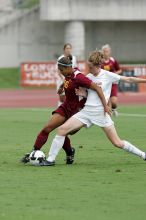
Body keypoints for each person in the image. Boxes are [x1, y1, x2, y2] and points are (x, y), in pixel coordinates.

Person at [40, 50, 146, 166]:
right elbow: (84, 90)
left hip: (101, 113)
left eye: (90, 67)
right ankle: (50, 160)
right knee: (62, 130)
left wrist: (144, 80)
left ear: (98, 66)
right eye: (87, 66)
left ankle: (143, 155)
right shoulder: (89, 76)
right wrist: (82, 93)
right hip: (86, 112)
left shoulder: (108, 75)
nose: (88, 69)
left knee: (117, 143)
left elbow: (129, 79)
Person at [21, 55, 110, 165]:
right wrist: (62, 86)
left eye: (61, 70)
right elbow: (69, 79)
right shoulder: (69, 74)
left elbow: (97, 88)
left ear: (68, 68)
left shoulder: (80, 77)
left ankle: (69, 152)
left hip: (77, 111)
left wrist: (105, 105)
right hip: (66, 107)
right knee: (47, 128)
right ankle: (33, 152)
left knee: (65, 132)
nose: (60, 72)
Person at [101, 44, 122, 116]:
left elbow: (119, 70)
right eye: (104, 51)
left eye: (107, 51)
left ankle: (114, 108)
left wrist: (114, 74)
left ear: (109, 52)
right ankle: (108, 117)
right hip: (104, 84)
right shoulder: (100, 61)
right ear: (102, 52)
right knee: (106, 101)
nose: (105, 53)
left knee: (114, 102)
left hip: (113, 83)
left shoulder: (113, 60)